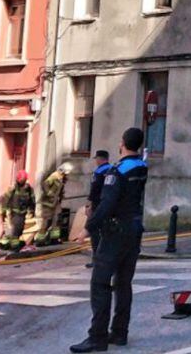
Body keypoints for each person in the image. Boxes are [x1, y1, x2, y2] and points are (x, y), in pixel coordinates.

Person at [71, 128, 148, 353]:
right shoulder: (142, 167)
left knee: (101, 284)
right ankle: (120, 332)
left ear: (122, 143)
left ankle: (97, 337)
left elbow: (107, 204)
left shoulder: (117, 171)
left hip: (115, 232)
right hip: (134, 231)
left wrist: (88, 228)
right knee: (124, 284)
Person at [84, 150, 112, 269]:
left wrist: (89, 206)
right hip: (109, 206)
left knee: (95, 234)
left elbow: (94, 190)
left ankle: (96, 259)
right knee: (107, 233)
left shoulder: (99, 172)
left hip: (97, 206)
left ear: (100, 159)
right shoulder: (113, 169)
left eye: (96, 159)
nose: (95, 161)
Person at [35, 162, 73, 246]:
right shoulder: (54, 176)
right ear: (62, 170)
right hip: (47, 204)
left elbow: (59, 189)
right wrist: (50, 194)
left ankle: (54, 239)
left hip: (56, 203)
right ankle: (39, 241)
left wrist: (61, 196)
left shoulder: (61, 178)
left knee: (57, 221)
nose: (67, 175)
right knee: (46, 222)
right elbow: (45, 185)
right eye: (66, 173)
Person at [0, 170, 35, 251]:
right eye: (21, 179)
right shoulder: (12, 188)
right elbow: (4, 200)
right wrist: (3, 214)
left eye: (23, 180)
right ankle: (12, 246)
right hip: (13, 214)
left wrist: (32, 210)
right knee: (13, 231)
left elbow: (32, 201)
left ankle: (10, 244)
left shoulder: (29, 189)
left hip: (22, 214)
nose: (22, 181)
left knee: (19, 230)